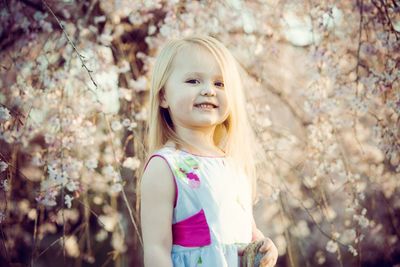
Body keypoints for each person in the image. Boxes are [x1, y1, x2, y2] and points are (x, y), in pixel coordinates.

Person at [140, 34, 278, 267]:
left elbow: (247, 231)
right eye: (193, 81)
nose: (209, 90)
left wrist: (265, 246)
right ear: (163, 95)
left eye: (219, 83)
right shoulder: (165, 166)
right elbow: (156, 249)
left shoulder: (234, 166)